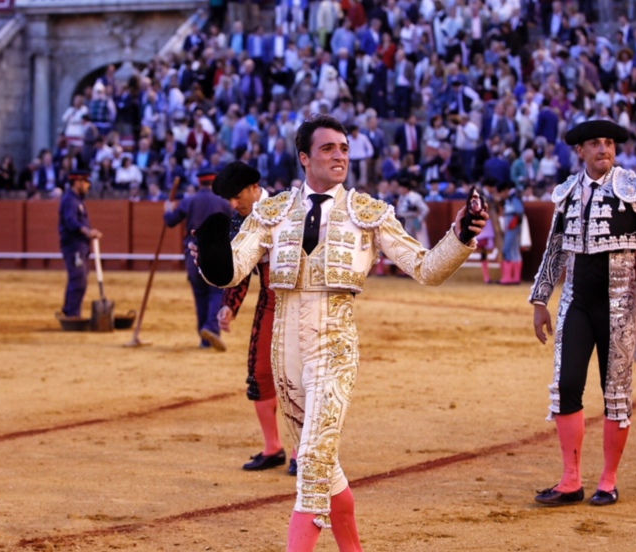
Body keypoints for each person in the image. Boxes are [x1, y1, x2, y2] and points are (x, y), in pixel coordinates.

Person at [192, 115, 487, 551]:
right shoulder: (272, 213)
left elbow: (425, 268)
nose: (340, 155)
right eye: (329, 148)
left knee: (310, 463)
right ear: (305, 158)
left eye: (345, 148)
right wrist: (212, 258)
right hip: (285, 354)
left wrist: (460, 235)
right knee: (325, 469)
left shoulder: (368, 214)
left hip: (334, 348)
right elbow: (233, 270)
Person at [530, 120, 636, 508]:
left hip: (619, 304)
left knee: (615, 394)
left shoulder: (635, 188)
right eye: (595, 144)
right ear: (580, 151)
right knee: (566, 385)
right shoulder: (567, 193)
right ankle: (571, 480)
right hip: (576, 304)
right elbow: (554, 250)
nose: (604, 149)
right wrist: (540, 300)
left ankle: (608, 479)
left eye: (609, 143)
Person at [212, 162, 295, 475]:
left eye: (237, 196)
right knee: (260, 374)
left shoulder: (289, 209)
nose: (234, 204)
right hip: (270, 303)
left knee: (297, 379)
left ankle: (303, 451)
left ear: (254, 188)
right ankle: (273, 447)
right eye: (230, 200)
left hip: (300, 302)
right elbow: (240, 268)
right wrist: (230, 306)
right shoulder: (240, 219)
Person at [164, 170, 231, 351]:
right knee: (217, 293)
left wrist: (167, 210)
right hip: (218, 254)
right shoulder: (223, 201)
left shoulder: (189, 200)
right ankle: (210, 328)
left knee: (200, 296)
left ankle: (205, 339)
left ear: (199, 183)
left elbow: (170, 221)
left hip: (193, 254)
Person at [58, 170, 102, 318]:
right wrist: (86, 231)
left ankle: (70, 310)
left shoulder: (77, 199)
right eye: (86, 182)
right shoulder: (70, 200)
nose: (88, 185)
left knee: (79, 278)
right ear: (78, 182)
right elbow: (70, 221)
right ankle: (72, 314)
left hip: (80, 244)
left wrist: (89, 231)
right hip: (73, 245)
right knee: (78, 278)